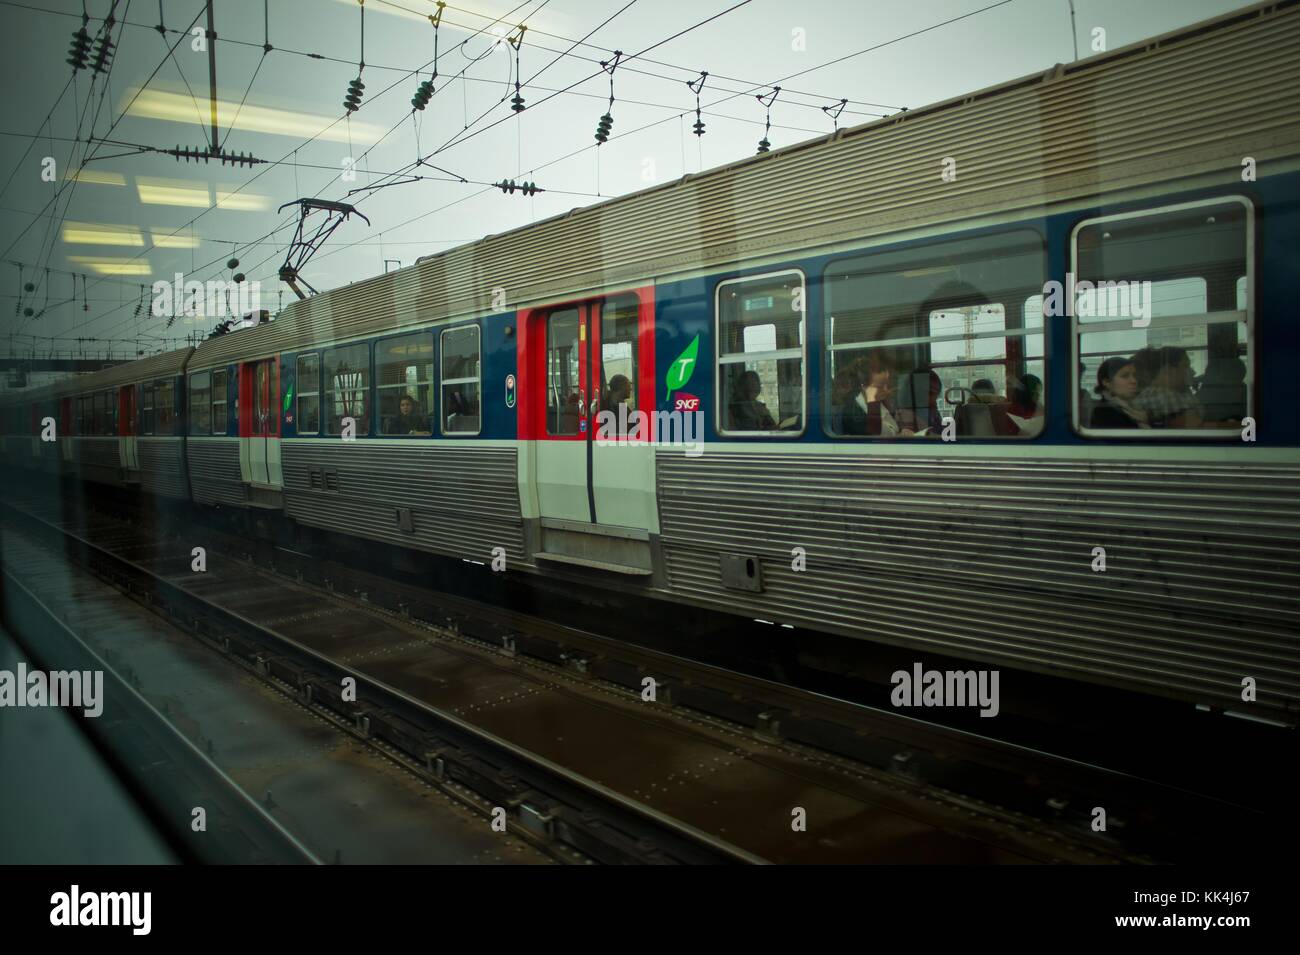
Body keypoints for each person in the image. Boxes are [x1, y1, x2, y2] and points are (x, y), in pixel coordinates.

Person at [840, 352, 914, 437]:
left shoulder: (882, 404)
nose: (886, 390)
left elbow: (892, 429)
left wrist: (903, 431)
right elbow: (874, 439)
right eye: (880, 386)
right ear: (864, 386)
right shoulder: (854, 413)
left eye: (887, 384)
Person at [1131, 346, 1202, 428]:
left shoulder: (1145, 395)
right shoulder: (1167, 397)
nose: (1193, 372)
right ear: (1168, 369)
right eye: (1186, 366)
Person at [1089, 356, 1149, 428]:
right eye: (1125, 376)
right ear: (1107, 382)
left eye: (1134, 375)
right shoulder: (1105, 412)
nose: (1134, 381)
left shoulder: (1133, 407)